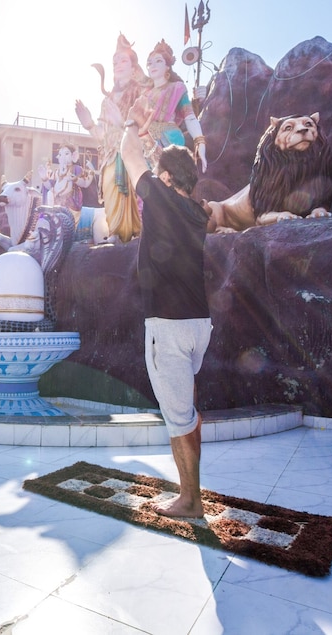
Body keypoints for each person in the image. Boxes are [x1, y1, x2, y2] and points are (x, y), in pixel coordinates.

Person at [119, 114, 212, 518]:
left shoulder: (160, 197)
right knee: (188, 411)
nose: (153, 180)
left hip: (169, 326)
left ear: (168, 178)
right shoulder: (197, 213)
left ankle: (190, 500)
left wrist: (130, 125)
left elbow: (128, 153)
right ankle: (191, 492)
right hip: (199, 324)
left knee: (178, 419)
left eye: (159, 175)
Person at [75, 33, 152, 242]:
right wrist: (89, 124)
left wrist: (121, 122)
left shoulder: (141, 93)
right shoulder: (107, 100)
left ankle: (137, 235)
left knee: (134, 194)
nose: (117, 64)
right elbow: (102, 136)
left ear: (134, 67)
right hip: (110, 158)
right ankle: (116, 233)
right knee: (112, 192)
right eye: (115, 61)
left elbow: (146, 127)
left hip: (132, 156)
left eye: (123, 60)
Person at [127, 39, 207, 174]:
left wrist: (200, 142)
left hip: (170, 140)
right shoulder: (143, 96)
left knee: (168, 181)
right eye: (149, 63)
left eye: (158, 61)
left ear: (167, 66)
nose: (152, 65)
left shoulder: (177, 88)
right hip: (145, 143)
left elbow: (190, 117)